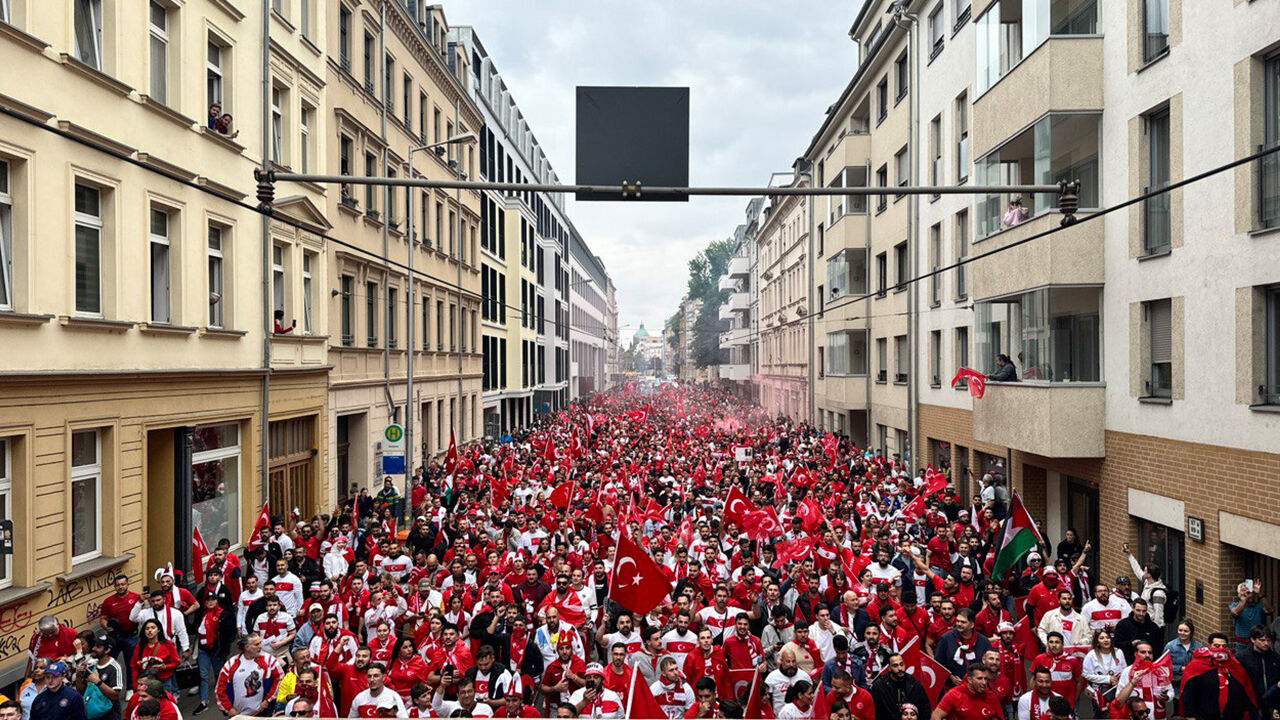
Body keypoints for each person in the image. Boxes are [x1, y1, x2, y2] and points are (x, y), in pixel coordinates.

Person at [215, 632, 284, 716]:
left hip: (262, 713)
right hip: (238, 715)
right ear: (246, 647)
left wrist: (267, 700)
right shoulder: (231, 663)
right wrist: (229, 709)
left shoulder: (269, 660)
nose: (260, 646)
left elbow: (280, 679)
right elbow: (220, 689)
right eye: (256, 644)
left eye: (260, 643)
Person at [1235, 625, 1280, 720]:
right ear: (1253, 639)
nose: (1266, 643)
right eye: (1262, 640)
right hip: (1251, 704)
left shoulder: (1274, 657)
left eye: (1268, 640)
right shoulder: (1242, 658)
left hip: (1270, 702)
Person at [931, 662, 1003, 720]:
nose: (984, 682)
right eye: (979, 678)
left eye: (985, 679)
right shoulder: (954, 694)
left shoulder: (990, 696)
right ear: (970, 680)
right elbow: (935, 716)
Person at [871, 653, 931, 720]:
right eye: (895, 666)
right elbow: (875, 712)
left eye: (901, 664)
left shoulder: (914, 684)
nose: (900, 668)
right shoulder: (879, 686)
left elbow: (925, 709)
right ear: (889, 668)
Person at [1124, 543, 1169, 631]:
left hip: (1153, 627)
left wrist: (1155, 631)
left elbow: (1158, 615)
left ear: (1149, 575)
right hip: (1145, 623)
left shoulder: (1158, 593)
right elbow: (1137, 570)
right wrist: (1129, 555)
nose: (1143, 572)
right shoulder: (1147, 583)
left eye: (1145, 571)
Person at [1083, 628, 1127, 716]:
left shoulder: (1119, 652)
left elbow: (1124, 671)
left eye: (1107, 637)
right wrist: (1107, 679)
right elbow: (1086, 675)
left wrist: (1118, 681)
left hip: (1117, 690)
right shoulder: (1091, 655)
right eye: (1101, 638)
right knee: (1101, 715)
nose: (1105, 640)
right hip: (1100, 692)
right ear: (1097, 641)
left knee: (1117, 714)